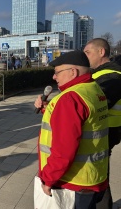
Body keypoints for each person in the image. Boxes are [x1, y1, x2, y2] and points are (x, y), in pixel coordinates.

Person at [34, 51, 109, 208]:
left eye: (57, 73)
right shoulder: (92, 89)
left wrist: (48, 179)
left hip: (73, 181)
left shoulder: (70, 99)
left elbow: (64, 150)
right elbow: (83, 121)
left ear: (73, 72)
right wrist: (48, 109)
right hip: (93, 174)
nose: (54, 77)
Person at [83, 38, 121, 208]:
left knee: (98, 177)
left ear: (101, 52)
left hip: (105, 132)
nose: (85, 57)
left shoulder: (112, 76)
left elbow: (97, 103)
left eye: (87, 53)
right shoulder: (101, 73)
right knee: (98, 175)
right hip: (104, 130)